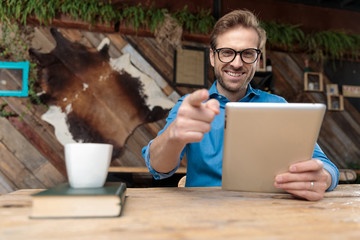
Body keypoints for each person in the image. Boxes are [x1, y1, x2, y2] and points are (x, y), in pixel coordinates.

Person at [142, 9, 339, 201]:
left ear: (257, 60)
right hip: (202, 217)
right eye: (227, 52)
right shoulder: (189, 109)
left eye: (247, 53)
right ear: (212, 57)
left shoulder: (278, 106)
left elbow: (327, 166)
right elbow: (158, 168)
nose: (237, 63)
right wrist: (173, 136)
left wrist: (323, 178)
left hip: (270, 215)